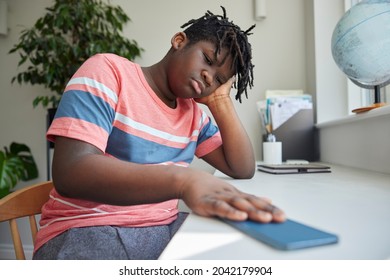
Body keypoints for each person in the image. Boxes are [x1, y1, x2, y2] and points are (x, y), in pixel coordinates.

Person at [33, 6, 285, 260]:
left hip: (162, 228)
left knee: (246, 249)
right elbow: (71, 172)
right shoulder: (109, 72)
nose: (209, 78)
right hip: (86, 228)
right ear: (179, 41)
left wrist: (220, 101)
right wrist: (183, 181)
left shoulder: (194, 117)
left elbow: (241, 167)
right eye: (208, 61)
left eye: (219, 79)